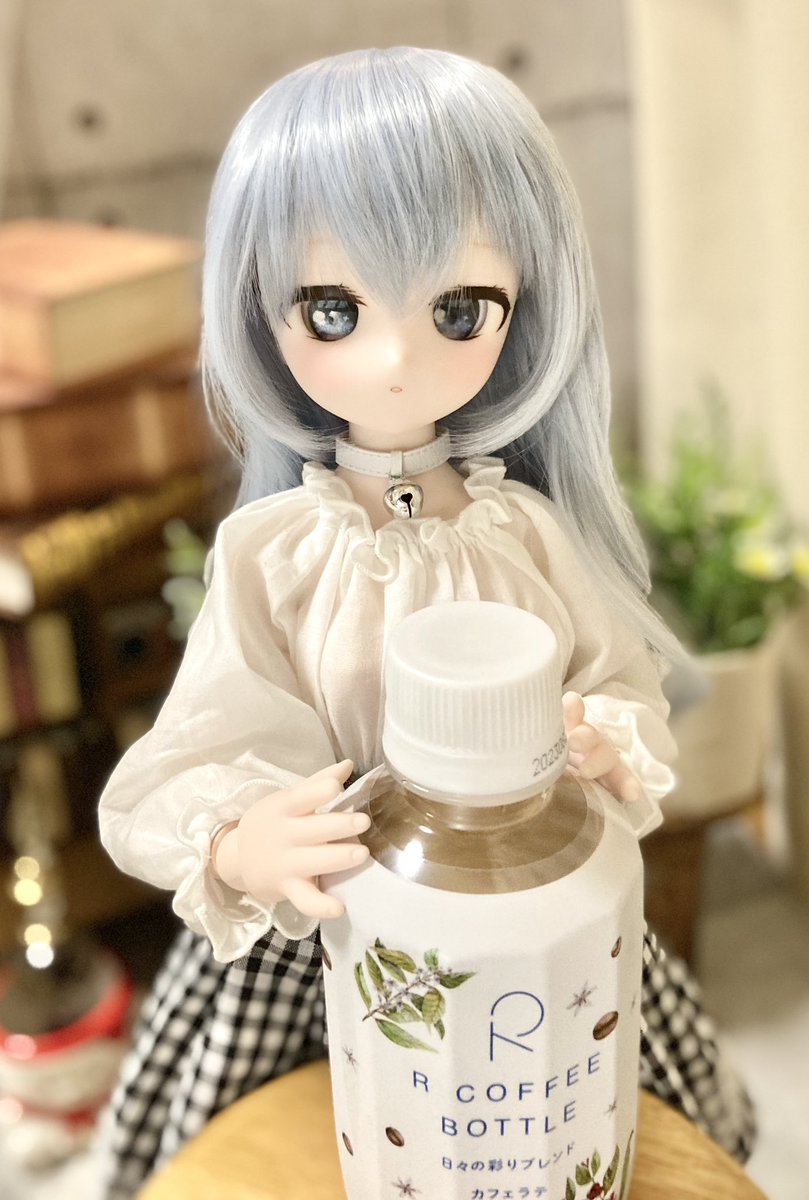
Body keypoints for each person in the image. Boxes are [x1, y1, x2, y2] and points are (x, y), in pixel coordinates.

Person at [96, 47, 754, 1197]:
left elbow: (620, 689)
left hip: (527, 905)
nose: (395, 359)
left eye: (457, 309)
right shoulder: (275, 553)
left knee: (568, 1124)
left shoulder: (523, 533)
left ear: (524, 302)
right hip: (333, 923)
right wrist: (239, 839)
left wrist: (597, 742)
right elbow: (186, 757)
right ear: (259, 312)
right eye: (332, 310)